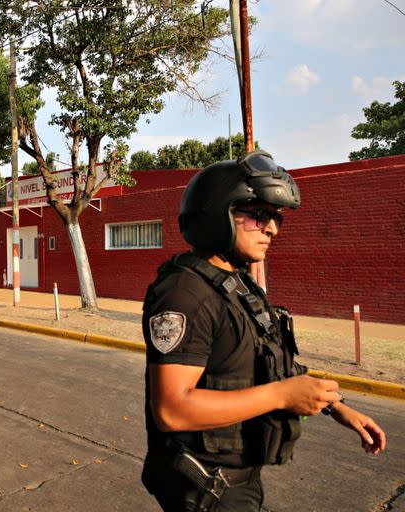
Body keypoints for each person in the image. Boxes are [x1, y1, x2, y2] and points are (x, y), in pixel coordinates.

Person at [141, 151, 386, 511]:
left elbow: (271, 359)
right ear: (217, 213)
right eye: (258, 216)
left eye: (275, 219)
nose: (272, 228)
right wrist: (282, 396)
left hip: (237, 481)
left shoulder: (237, 286)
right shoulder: (184, 294)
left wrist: (337, 407)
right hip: (205, 489)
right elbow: (173, 409)